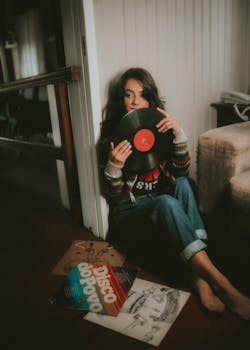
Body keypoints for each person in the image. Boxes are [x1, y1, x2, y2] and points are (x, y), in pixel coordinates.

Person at [99, 67, 250, 320]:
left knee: (183, 184)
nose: (135, 100)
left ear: (150, 99)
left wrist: (178, 135)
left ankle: (198, 277)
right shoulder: (113, 139)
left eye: (141, 94)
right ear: (121, 100)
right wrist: (113, 166)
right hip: (128, 214)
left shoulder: (159, 131)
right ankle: (222, 284)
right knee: (167, 202)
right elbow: (115, 196)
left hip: (160, 202)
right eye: (128, 94)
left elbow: (181, 172)